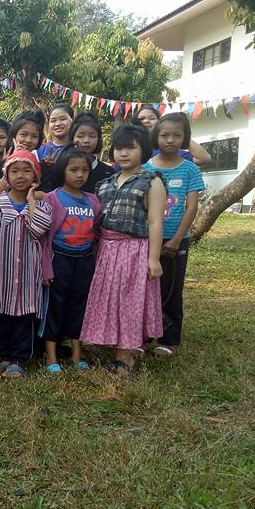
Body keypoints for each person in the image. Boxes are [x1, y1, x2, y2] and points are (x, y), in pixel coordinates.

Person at [81, 124, 165, 376]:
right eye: (119, 148)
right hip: (106, 251)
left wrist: (153, 259)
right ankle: (108, 342)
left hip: (134, 251)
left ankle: (126, 355)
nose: (124, 153)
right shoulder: (105, 184)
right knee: (108, 300)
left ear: (144, 150)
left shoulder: (151, 182)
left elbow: (155, 222)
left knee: (129, 302)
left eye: (130, 148)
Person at [0, 150, 52, 379]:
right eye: (15, 171)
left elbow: (37, 229)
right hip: (1, 273)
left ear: (35, 176)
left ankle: (19, 360)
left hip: (28, 275)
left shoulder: (42, 206)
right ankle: (3, 357)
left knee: (23, 318)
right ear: (6, 176)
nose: (20, 176)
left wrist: (31, 200)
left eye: (27, 171)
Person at [145, 112, 204, 356]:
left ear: (185, 138)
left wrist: (177, 239)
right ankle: (143, 336)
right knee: (146, 288)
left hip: (176, 240)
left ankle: (169, 339)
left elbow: (192, 207)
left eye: (176, 135)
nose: (170, 140)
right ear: (156, 137)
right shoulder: (145, 168)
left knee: (171, 289)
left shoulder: (190, 169)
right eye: (164, 135)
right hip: (147, 240)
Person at [41, 148, 100, 373]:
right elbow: (44, 238)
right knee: (55, 306)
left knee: (79, 305)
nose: (79, 175)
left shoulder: (93, 201)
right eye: (73, 169)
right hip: (59, 258)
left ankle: (77, 355)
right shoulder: (53, 198)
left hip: (84, 260)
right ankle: (51, 357)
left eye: (84, 170)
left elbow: (97, 235)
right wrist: (46, 268)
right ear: (62, 171)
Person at [134, 105, 210, 167]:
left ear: (159, 123)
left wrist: (180, 133)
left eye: (152, 118)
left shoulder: (168, 149)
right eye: (141, 119)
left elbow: (203, 159)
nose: (146, 121)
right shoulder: (130, 147)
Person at [0, 111, 46, 196]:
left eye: (34, 136)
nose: (28, 140)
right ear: (14, 136)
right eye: (23, 134)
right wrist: (12, 161)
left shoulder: (44, 167)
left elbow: (47, 196)